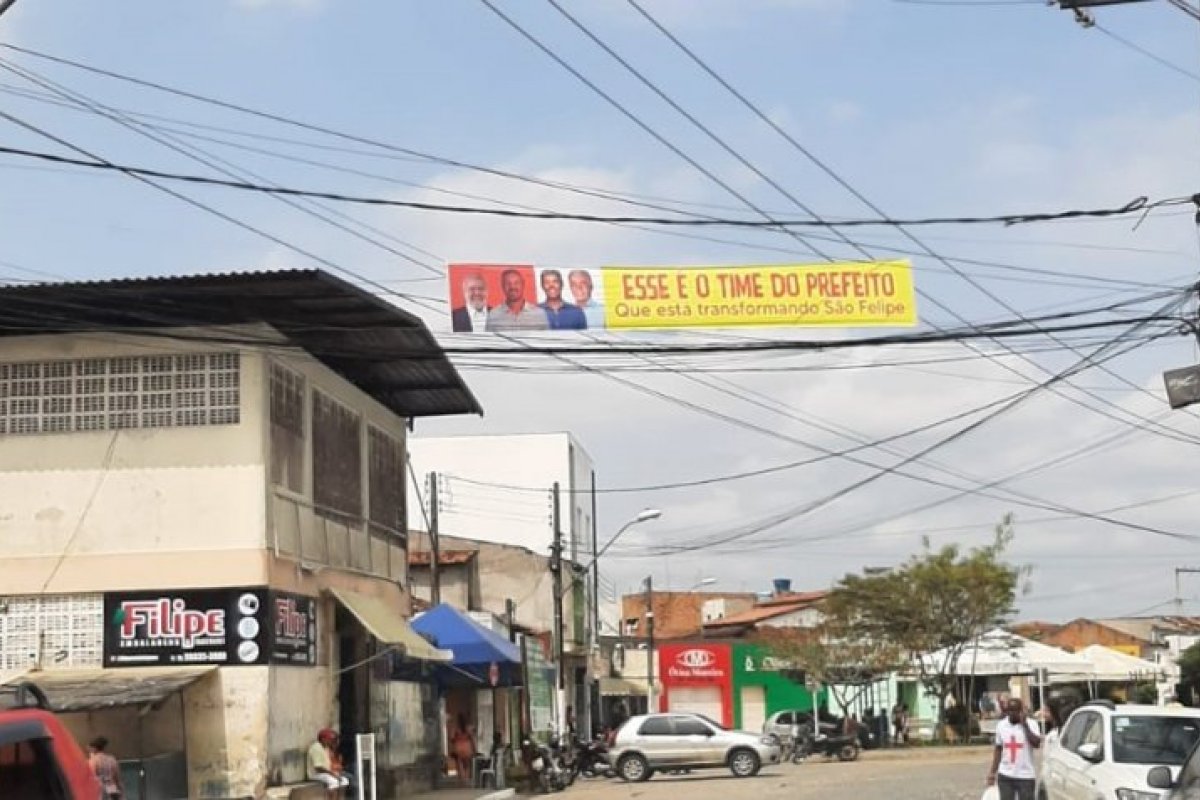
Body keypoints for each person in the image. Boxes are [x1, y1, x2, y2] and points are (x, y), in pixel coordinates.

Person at [987, 698, 1042, 800]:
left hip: (1025, 775)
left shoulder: (1032, 724)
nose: (1013, 713)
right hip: (1006, 775)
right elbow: (998, 749)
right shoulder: (1001, 725)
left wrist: (1025, 725)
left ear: (1021, 711)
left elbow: (1036, 744)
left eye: (1016, 710)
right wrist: (992, 772)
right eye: (1010, 710)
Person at [308, 728, 350, 799]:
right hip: (316, 774)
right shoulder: (316, 748)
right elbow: (318, 767)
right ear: (324, 739)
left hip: (326, 773)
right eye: (331, 740)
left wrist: (335, 773)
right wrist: (332, 774)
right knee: (333, 781)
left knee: (345, 781)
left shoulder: (326, 748)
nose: (332, 741)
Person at [449, 713, 476, 787]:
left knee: (459, 763)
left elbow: (452, 739)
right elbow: (472, 739)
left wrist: (456, 740)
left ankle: (462, 779)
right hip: (467, 747)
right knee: (467, 764)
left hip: (458, 747)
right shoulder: (468, 728)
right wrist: (474, 749)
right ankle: (466, 778)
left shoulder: (456, 728)